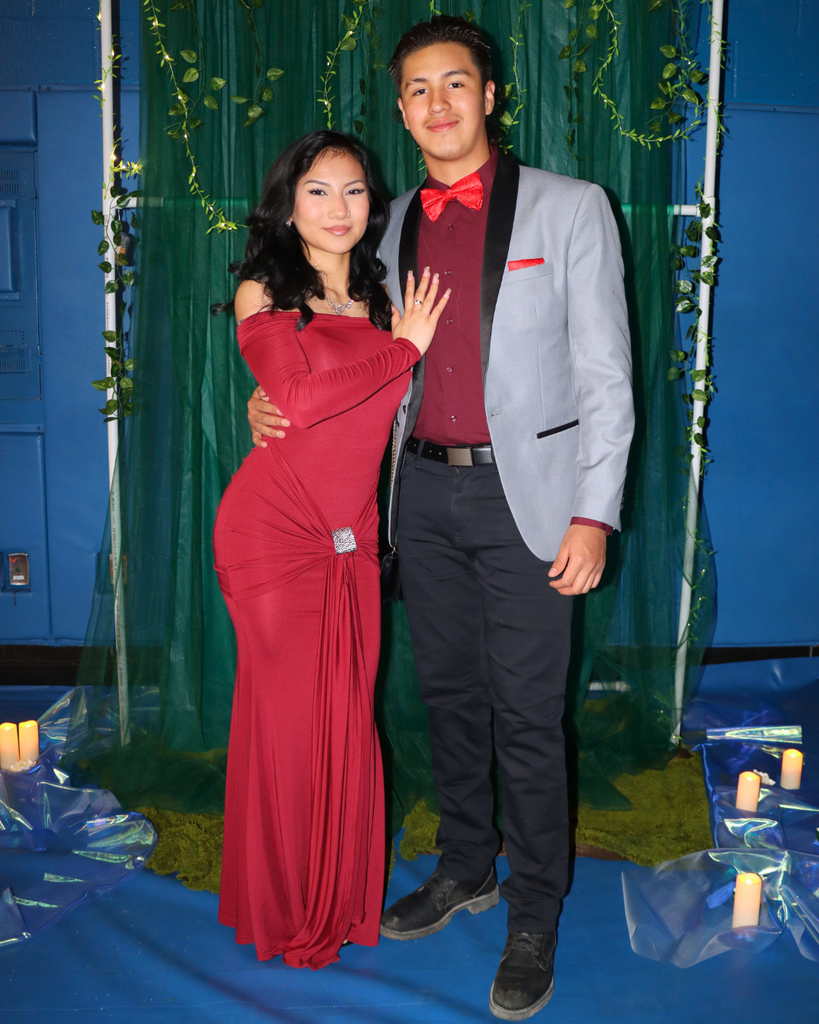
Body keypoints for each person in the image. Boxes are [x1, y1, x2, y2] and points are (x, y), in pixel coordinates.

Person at [248, 16, 634, 1017]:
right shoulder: (374, 227)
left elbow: (607, 376)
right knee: (449, 695)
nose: (437, 105)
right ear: (402, 105)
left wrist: (594, 513)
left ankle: (536, 906)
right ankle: (466, 863)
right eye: (417, 89)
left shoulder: (571, 207)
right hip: (413, 493)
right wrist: (270, 408)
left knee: (527, 711)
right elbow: (331, 354)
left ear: (491, 94)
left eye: (455, 84)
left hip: (530, 499)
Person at [213, 129, 449, 970]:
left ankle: (334, 898)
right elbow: (302, 401)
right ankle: (285, 910)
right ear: (286, 202)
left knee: (344, 721)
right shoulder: (264, 291)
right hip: (273, 535)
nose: (338, 208)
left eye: (354, 191)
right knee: (287, 725)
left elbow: (378, 423)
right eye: (317, 190)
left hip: (353, 543)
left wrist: (399, 344)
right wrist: (402, 351)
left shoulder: (390, 303)